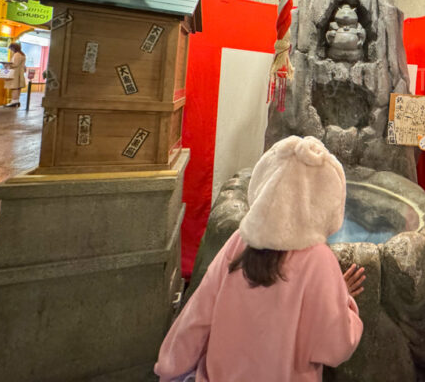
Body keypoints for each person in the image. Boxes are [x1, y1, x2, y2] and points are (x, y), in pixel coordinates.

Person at [155, 136, 365, 382]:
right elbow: (335, 347)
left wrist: (169, 368)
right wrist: (343, 299)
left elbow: (197, 317)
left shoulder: (240, 241)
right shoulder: (318, 260)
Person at [3, 42, 26, 108]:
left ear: (13, 48)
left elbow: (15, 64)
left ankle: (14, 101)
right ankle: (16, 101)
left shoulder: (17, 54)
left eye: (11, 48)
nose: (11, 50)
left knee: (14, 87)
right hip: (19, 73)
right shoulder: (22, 54)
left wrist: (6, 64)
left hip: (15, 73)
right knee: (18, 87)